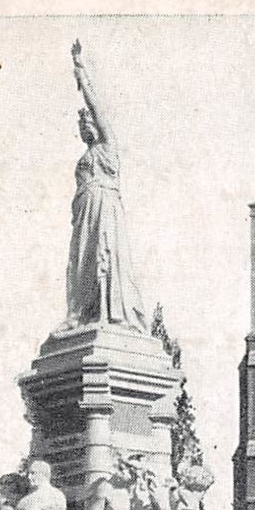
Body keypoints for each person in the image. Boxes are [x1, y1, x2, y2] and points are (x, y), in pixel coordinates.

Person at [65, 40, 146, 330]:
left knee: (106, 260)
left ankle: (108, 312)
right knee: (82, 267)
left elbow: (96, 105)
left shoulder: (107, 146)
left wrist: (80, 71)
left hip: (104, 209)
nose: (84, 125)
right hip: (84, 215)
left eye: (87, 121)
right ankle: (81, 314)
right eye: (80, 124)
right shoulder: (84, 156)